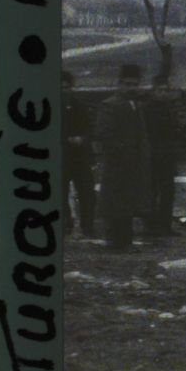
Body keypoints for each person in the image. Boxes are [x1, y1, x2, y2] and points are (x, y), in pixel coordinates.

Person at [95, 64, 152, 249]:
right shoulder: (110, 105)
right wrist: (121, 151)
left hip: (134, 164)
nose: (131, 88)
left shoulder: (136, 105)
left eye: (135, 85)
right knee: (116, 204)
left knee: (128, 204)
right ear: (119, 84)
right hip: (118, 165)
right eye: (127, 84)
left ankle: (125, 241)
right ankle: (116, 242)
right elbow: (104, 134)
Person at [143, 70, 182, 237]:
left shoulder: (169, 108)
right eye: (160, 90)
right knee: (152, 192)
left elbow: (174, 132)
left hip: (167, 156)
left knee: (168, 191)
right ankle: (151, 226)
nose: (163, 93)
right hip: (152, 156)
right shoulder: (146, 109)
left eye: (166, 90)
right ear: (153, 90)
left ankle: (165, 225)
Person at [62, 70, 96, 239]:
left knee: (87, 192)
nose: (64, 90)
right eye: (60, 87)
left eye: (67, 87)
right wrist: (66, 140)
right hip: (61, 158)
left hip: (80, 157)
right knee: (59, 193)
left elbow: (90, 129)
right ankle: (65, 224)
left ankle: (87, 226)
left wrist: (82, 139)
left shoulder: (80, 106)